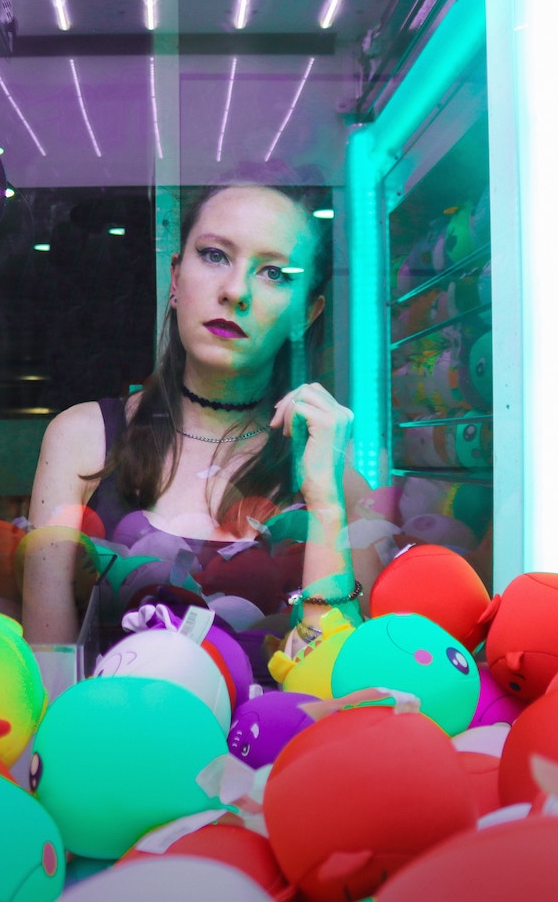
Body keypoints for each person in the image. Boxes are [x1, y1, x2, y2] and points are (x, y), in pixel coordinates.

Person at [21, 174, 380, 654]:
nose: (235, 291)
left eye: (274, 273)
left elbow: (345, 680)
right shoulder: (83, 439)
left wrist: (327, 506)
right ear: (174, 279)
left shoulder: (333, 467)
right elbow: (49, 669)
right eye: (215, 255)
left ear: (307, 315)